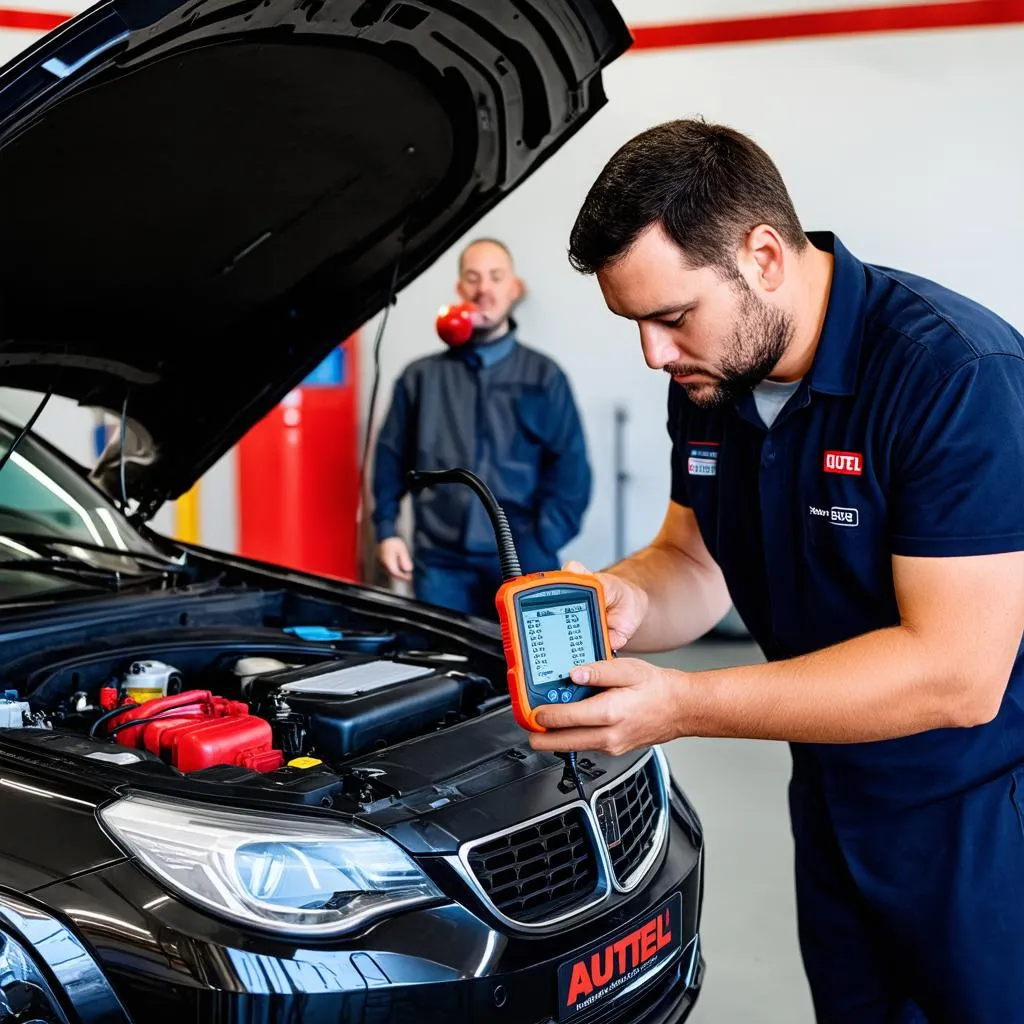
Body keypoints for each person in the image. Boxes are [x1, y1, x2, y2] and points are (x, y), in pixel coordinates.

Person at [529, 119, 1024, 1023]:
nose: (654, 354)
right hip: (832, 797)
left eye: (672, 317)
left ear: (762, 255)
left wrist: (681, 705)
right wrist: (629, 596)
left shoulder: (953, 375)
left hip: (980, 812)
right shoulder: (710, 383)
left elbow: (960, 675)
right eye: (635, 322)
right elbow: (692, 559)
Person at [371, 238, 592, 619]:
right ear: (460, 291)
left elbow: (571, 470)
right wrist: (387, 529)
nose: (484, 289)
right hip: (440, 564)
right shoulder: (419, 378)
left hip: (524, 558)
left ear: (513, 287)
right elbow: (391, 459)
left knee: (526, 672)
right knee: (443, 665)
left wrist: (544, 538)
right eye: (473, 278)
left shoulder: (545, 376)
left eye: (495, 277)